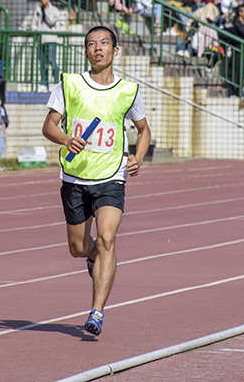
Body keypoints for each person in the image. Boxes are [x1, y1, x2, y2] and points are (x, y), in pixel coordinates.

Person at [41, 25, 151, 337]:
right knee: (78, 247)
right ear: (86, 51)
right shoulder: (69, 84)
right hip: (75, 176)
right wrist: (66, 139)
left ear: (115, 51)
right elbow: (48, 126)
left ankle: (97, 312)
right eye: (91, 44)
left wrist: (139, 156)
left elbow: (143, 129)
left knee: (106, 239)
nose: (97, 48)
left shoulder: (128, 91)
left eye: (104, 43)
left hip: (111, 175)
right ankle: (91, 257)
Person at [24, 0, 65, 92]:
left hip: (50, 39)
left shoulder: (54, 10)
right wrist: (34, 30)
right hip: (40, 40)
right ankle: (43, 83)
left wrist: (45, 12)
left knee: (51, 60)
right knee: (42, 63)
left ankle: (56, 82)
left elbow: (51, 22)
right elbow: (34, 23)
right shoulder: (38, 10)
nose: (42, 0)